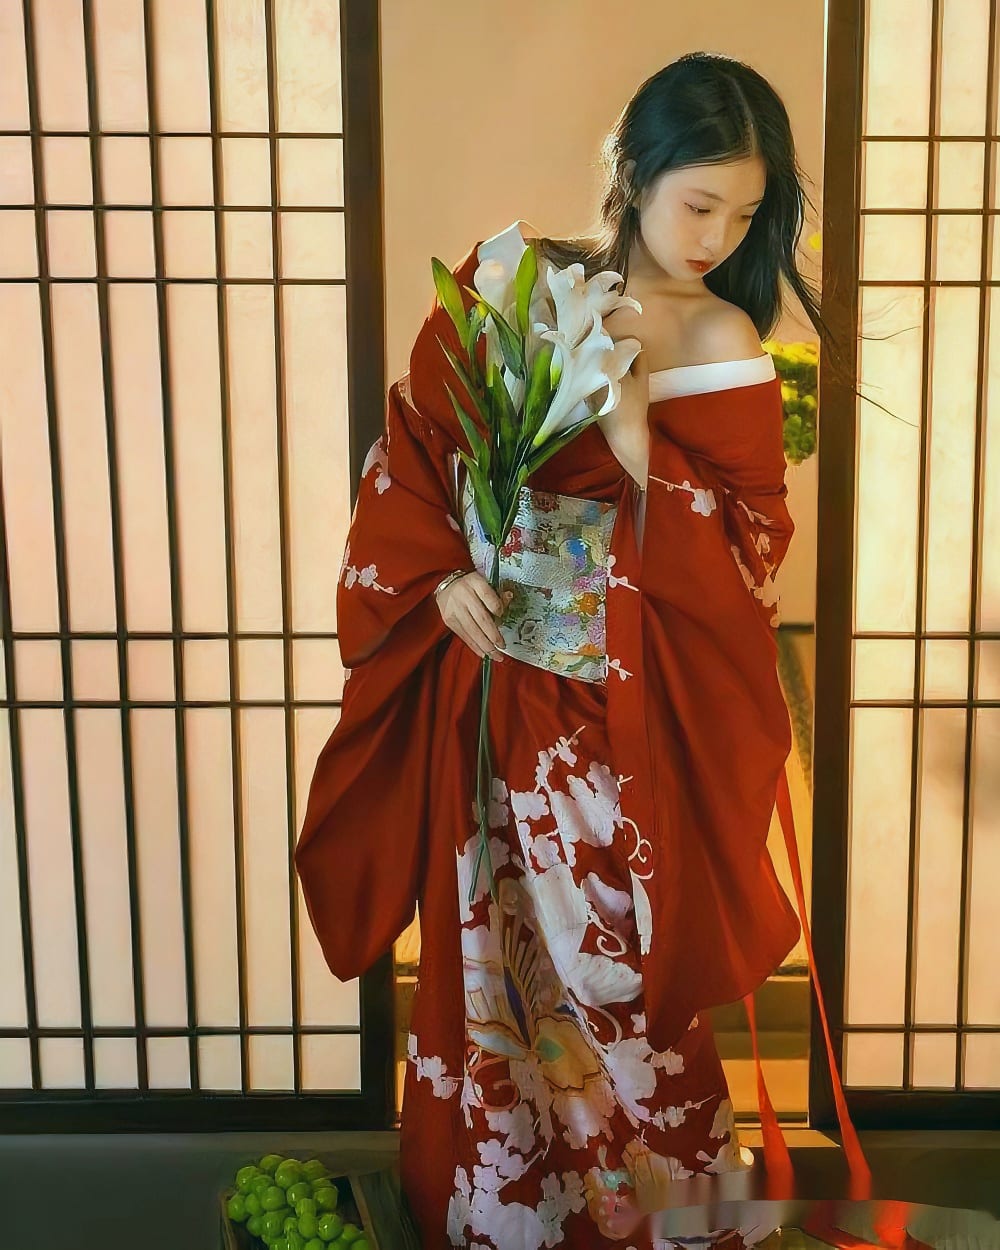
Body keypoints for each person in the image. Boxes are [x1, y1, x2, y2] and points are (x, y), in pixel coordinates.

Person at [295, 51, 856, 1249]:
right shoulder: (522, 285)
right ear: (633, 171)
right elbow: (410, 456)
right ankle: (510, 1210)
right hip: (501, 690)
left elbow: (752, 552)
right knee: (495, 964)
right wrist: (441, 574)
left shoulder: (723, 334)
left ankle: (674, 1217)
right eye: (699, 201)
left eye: (744, 213)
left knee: (619, 977)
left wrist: (639, 433)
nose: (716, 235)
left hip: (629, 718)